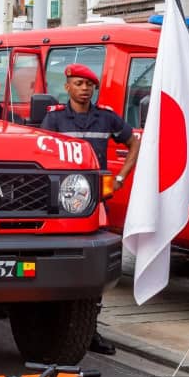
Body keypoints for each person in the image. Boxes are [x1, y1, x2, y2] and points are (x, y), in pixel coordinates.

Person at [39, 63, 141, 355]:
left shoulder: (106, 117)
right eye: (78, 84)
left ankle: (89, 330)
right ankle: (47, 324)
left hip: (96, 205)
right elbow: (41, 153)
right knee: (58, 264)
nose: (84, 89)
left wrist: (120, 177)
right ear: (67, 87)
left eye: (89, 85)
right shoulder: (55, 119)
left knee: (93, 269)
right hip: (61, 208)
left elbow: (134, 143)